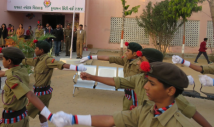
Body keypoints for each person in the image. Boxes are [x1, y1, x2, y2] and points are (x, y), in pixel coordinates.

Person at [78, 48, 211, 127]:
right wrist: (93, 77)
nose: (137, 62)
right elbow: (118, 81)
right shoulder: (140, 79)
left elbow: (192, 113)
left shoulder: (170, 95)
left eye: (141, 60)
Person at [51, 62, 196, 127]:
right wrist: (71, 119)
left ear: (170, 90)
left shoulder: (179, 124)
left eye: (151, 84)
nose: (145, 87)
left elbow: (193, 113)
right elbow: (110, 120)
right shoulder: (145, 110)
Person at [0, 47, 57, 127]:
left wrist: (50, 116)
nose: (2, 61)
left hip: (13, 121)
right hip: (22, 117)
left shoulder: (12, 78)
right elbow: (1, 73)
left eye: (3, 59)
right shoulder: (21, 69)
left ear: (9, 61)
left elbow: (30, 95)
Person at [22, 40, 87, 127]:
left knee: (23, 114)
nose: (35, 50)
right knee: (42, 114)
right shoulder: (37, 60)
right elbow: (26, 61)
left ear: (41, 50)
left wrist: (77, 67)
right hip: (41, 92)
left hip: (42, 94)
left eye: (36, 48)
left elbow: (61, 64)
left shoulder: (47, 60)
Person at [81, 42, 142, 110]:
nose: (125, 53)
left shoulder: (140, 65)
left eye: (128, 51)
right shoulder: (126, 60)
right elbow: (110, 58)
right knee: (126, 113)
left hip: (137, 95)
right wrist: (91, 57)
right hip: (128, 94)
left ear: (135, 53)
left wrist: (92, 77)